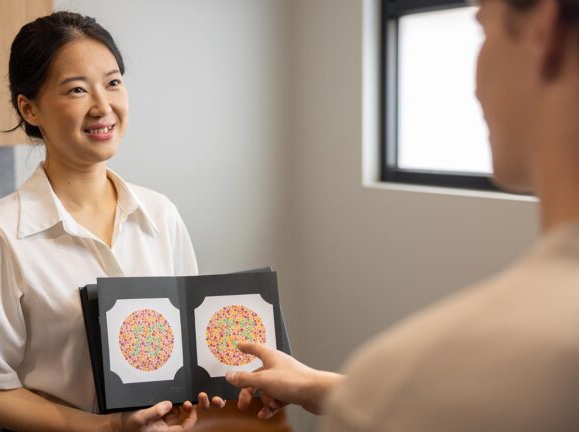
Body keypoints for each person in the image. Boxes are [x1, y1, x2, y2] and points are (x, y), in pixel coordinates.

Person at [226, 0, 579, 430]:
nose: (473, 87)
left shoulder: (404, 381)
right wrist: (326, 388)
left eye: (483, 30)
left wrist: (370, 397)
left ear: (544, 27)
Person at [0, 11, 224, 432]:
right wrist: (104, 430)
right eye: (76, 89)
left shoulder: (161, 214)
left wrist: (182, 399)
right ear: (29, 108)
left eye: (113, 83)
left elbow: (180, 351)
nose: (103, 106)